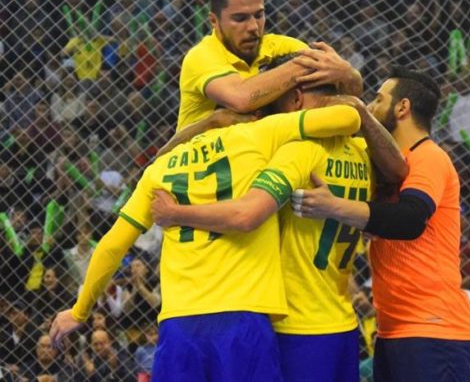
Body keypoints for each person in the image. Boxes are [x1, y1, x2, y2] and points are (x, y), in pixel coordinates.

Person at [49, 104, 363, 382]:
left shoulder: (161, 167)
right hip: (243, 315)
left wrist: (79, 311)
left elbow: (112, 246)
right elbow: (347, 118)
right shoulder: (259, 133)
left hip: (180, 323)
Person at [150, 56, 407, 382]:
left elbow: (245, 213)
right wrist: (357, 106)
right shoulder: (361, 151)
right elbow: (398, 170)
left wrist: (176, 211)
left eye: (274, 102)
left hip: (296, 326)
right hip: (342, 321)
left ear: (296, 98)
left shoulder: (294, 149)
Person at [292, 66, 470, 381]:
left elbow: (410, 220)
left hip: (434, 328)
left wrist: (333, 206)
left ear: (402, 107)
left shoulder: (429, 157)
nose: (371, 107)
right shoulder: (386, 164)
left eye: (378, 99)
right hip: (394, 329)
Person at [176, 0, 362, 130]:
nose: (253, 26)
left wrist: (348, 74)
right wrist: (304, 65)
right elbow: (241, 99)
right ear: (214, 21)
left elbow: (349, 94)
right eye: (240, 18)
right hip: (200, 154)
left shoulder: (282, 46)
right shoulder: (201, 56)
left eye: (259, 15)